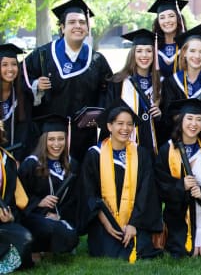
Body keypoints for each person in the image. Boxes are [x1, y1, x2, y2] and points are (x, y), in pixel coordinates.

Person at [22, 0, 112, 163]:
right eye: (72, 22)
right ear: (62, 28)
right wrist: (36, 86)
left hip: (84, 135)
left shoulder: (97, 60)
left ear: (87, 28)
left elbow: (107, 93)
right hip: (50, 135)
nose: (78, 26)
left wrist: (98, 114)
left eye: (82, 22)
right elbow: (21, 80)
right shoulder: (42, 55)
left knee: (81, 178)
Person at [77, 104, 162, 261]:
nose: (125, 128)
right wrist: (106, 223)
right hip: (105, 221)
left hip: (136, 220)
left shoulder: (141, 154)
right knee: (109, 251)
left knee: (140, 248)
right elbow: (89, 193)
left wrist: (133, 224)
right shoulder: (94, 154)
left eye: (130, 124)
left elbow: (146, 193)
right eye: (120, 124)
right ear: (109, 126)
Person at [154, 98, 201, 258]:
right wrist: (181, 186)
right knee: (188, 252)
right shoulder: (167, 150)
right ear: (180, 120)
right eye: (189, 118)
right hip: (180, 217)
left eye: (199, 119)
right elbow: (161, 185)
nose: (194, 124)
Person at [18, 115, 79, 258]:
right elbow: (18, 195)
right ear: (43, 141)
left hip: (59, 217)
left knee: (71, 235)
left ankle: (50, 247)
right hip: (33, 216)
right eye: (51, 139)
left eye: (61, 139)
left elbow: (74, 199)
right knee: (49, 229)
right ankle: (37, 248)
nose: (56, 144)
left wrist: (59, 215)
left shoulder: (72, 165)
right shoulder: (31, 164)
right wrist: (38, 202)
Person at [161, 24, 201, 148]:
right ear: (184, 53)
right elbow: (168, 116)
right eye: (192, 51)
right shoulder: (172, 82)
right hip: (179, 144)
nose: (197, 56)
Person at [107, 29, 162, 153]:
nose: (144, 55)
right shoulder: (118, 82)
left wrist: (159, 114)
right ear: (133, 54)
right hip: (124, 146)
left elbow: (165, 123)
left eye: (149, 51)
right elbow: (109, 116)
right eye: (139, 51)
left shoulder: (159, 83)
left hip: (151, 147)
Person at [0, 121, 32, 271]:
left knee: (24, 239)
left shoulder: (8, 162)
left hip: (2, 223)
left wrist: (10, 216)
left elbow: (14, 200)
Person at [0, 43, 30, 161]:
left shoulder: (21, 97)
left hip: (15, 159)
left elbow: (24, 133)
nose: (10, 69)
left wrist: (16, 160)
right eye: (4, 65)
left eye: (14, 64)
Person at [148, 0, 188, 79]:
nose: (167, 21)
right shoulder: (152, 47)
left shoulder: (188, 45)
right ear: (158, 22)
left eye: (171, 16)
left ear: (178, 19)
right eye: (162, 17)